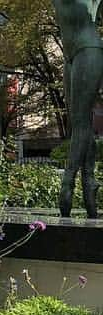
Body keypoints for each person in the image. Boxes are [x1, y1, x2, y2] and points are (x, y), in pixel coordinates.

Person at [54, 0, 103, 217]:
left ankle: (68, 182)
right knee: (79, 124)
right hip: (69, 57)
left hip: (89, 48)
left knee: (81, 121)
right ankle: (89, 186)